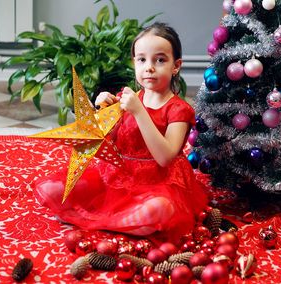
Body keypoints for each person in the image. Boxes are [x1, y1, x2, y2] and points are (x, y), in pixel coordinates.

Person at [34, 22, 208, 245]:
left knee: (160, 208)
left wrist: (139, 111)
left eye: (160, 60)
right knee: (56, 189)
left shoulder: (179, 110)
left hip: (158, 181)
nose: (149, 67)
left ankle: (120, 220)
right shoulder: (126, 99)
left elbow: (165, 157)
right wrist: (102, 111)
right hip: (119, 177)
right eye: (142, 59)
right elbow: (110, 142)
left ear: (176, 66)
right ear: (134, 62)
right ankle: (125, 222)